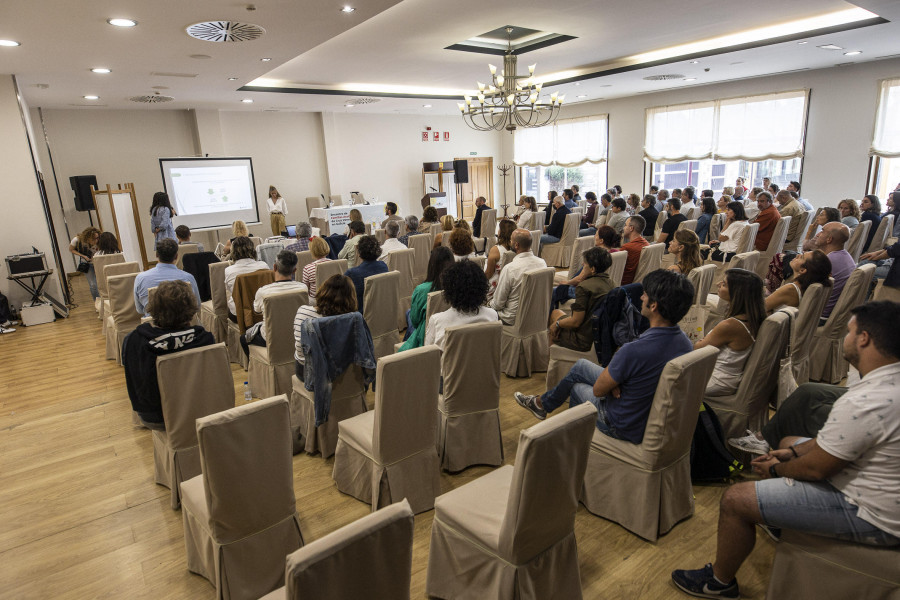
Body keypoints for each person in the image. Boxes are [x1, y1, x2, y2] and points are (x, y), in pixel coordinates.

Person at [671, 301, 900, 599]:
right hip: (879, 487)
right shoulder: (887, 383)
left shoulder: (867, 399)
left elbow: (818, 468)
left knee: (735, 499)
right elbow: (836, 443)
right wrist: (790, 454)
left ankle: (718, 582)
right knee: (789, 441)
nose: (845, 337)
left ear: (864, 339)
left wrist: (776, 468)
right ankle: (780, 518)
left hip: (874, 514)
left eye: (849, 332)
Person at [514, 269, 695, 440]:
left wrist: (611, 383)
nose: (641, 297)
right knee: (581, 366)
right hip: (652, 415)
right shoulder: (686, 344)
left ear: (653, 306)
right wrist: (616, 380)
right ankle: (541, 404)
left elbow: (598, 390)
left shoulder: (634, 350)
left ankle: (573, 445)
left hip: (622, 423)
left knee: (577, 388)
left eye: (645, 294)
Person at [123, 280, 215, 429]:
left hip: (156, 417)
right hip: (203, 410)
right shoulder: (205, 338)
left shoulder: (135, 340)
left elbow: (136, 381)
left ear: (153, 307)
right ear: (190, 308)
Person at [697, 269, 766, 397]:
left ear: (737, 293)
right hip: (728, 377)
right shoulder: (753, 316)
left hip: (717, 380)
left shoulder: (731, 325)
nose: (718, 284)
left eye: (724, 284)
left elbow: (698, 349)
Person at [240, 250, 307, 355]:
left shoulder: (263, 292)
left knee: (243, 339)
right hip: (299, 334)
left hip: (271, 338)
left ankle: (253, 369)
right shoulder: (303, 288)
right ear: (295, 270)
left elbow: (257, 311)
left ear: (274, 268)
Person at [547, 247, 613, 352]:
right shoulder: (612, 283)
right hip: (600, 333)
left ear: (593, 269)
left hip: (582, 339)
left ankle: (550, 359)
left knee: (553, 329)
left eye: (585, 263)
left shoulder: (584, 287)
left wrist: (557, 324)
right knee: (555, 313)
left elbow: (575, 322)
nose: (582, 265)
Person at [292, 274, 357, 381]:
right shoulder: (351, 320)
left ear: (322, 291)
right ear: (351, 297)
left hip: (306, 373)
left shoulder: (303, 311)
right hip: (343, 372)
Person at [424, 259, 498, 350]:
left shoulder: (437, 321)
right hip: (483, 364)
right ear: (482, 287)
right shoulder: (492, 315)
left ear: (448, 290)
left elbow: (428, 355)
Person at [400, 246, 455, 352]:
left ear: (431, 265)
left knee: (409, 314)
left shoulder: (421, 290)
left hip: (425, 335)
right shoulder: (456, 286)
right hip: (448, 328)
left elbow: (415, 321)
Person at [491, 228, 547, 325]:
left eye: (511, 240)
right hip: (535, 316)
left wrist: (488, 305)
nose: (509, 242)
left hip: (511, 319)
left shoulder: (510, 269)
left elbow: (498, 304)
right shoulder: (542, 263)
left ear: (516, 245)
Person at [133, 238, 201, 316]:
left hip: (153, 326)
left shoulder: (140, 278)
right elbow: (197, 306)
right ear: (176, 256)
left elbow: (139, 310)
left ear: (156, 255)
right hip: (183, 325)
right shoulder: (188, 278)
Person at [764, 249, 832, 312]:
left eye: (801, 257)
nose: (797, 255)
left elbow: (760, 308)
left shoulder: (790, 289)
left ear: (802, 270)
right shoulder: (804, 287)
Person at [813, 222, 853, 320]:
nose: (817, 234)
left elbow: (806, 289)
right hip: (829, 312)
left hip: (818, 315)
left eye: (822, 231)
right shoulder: (844, 255)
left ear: (829, 239)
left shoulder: (827, 261)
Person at [222, 236, 268, 317]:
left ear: (233, 252)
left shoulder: (229, 270)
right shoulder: (264, 266)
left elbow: (231, 291)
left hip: (240, 314)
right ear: (253, 250)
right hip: (263, 310)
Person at [344, 234, 388, 313]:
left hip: (360, 316)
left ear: (359, 253)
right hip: (382, 311)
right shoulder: (383, 266)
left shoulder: (352, 273)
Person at [485, 219, 516, 299]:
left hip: (493, 289)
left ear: (502, 232)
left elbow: (488, 274)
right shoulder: (515, 249)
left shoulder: (496, 250)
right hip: (507, 287)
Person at [69, 227, 100, 300]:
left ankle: (104, 301)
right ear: (88, 238)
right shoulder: (77, 240)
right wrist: (83, 256)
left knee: (101, 283)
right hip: (87, 263)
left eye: (97, 238)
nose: (96, 240)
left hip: (98, 262)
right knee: (93, 284)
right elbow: (71, 249)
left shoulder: (100, 240)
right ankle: (97, 302)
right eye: (93, 239)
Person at [620, 215, 649, 285]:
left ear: (631, 228)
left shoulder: (627, 248)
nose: (623, 228)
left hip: (623, 284)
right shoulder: (646, 244)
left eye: (625, 225)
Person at [300, 237, 331, 301]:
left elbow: (305, 290)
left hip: (316, 301)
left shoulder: (308, 268)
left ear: (312, 251)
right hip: (333, 298)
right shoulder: (334, 263)